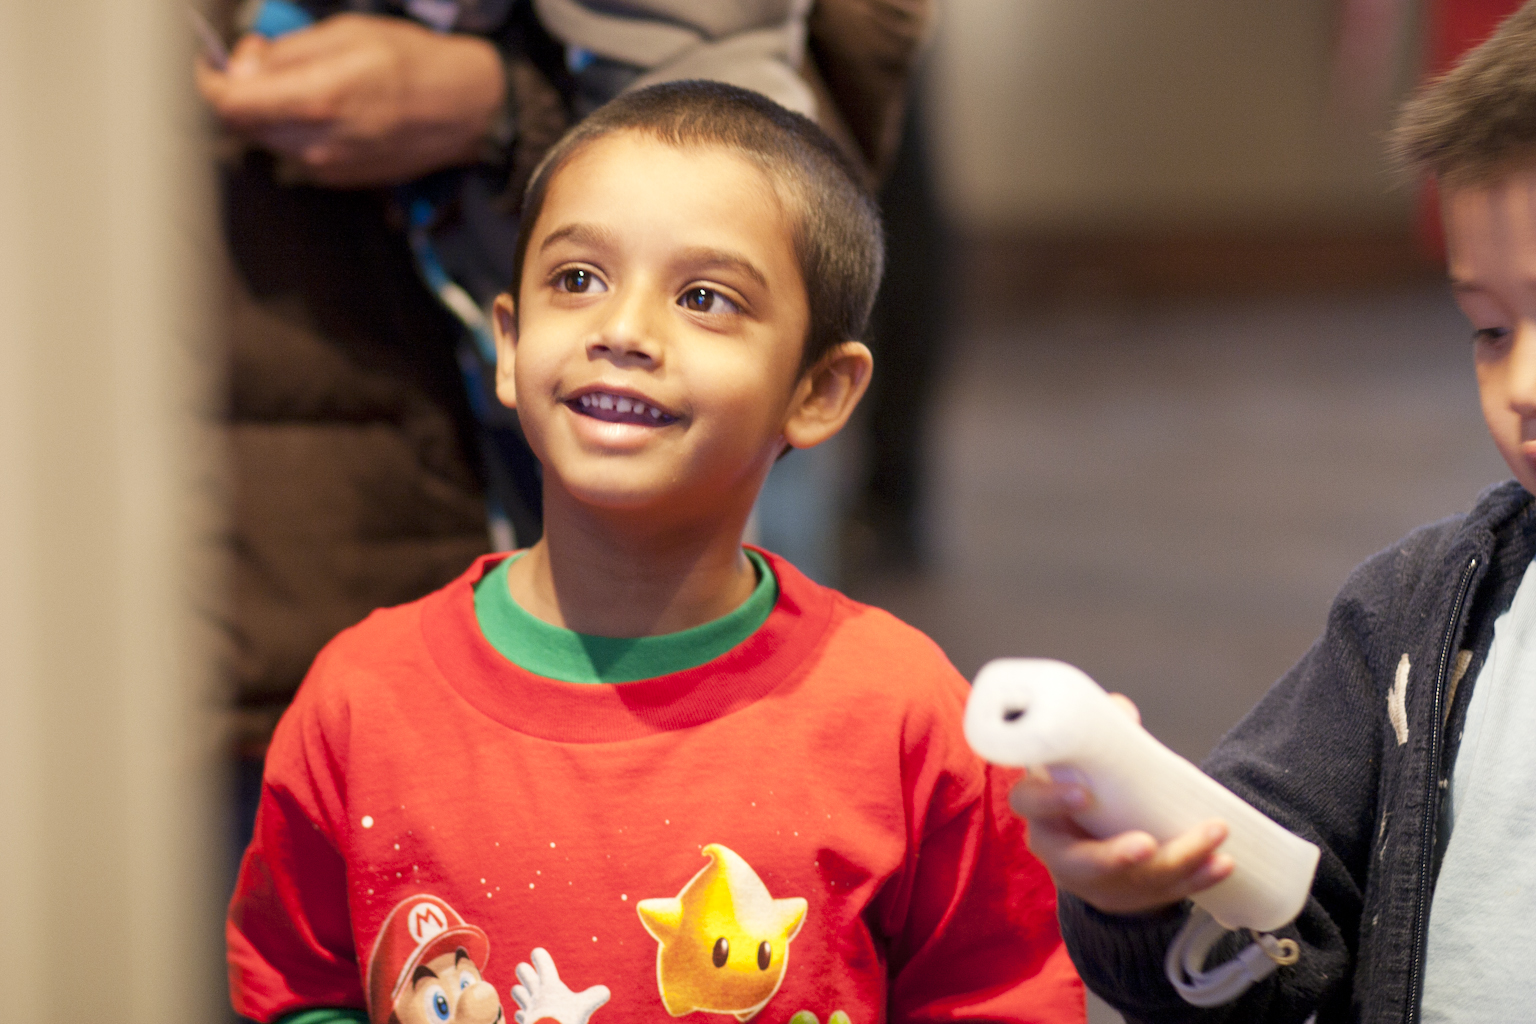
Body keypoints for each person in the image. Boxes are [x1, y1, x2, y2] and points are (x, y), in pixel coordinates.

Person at [225, 82, 1085, 1024]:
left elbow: (1001, 994)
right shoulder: (361, 699)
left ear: (821, 391)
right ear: (509, 344)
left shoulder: (900, 714)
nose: (624, 332)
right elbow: (296, 991)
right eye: (578, 280)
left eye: (705, 298)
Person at [1008, 5, 1536, 1020]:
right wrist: (1147, 886)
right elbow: (1272, 947)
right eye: (1489, 328)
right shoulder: (1417, 616)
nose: (1522, 381)